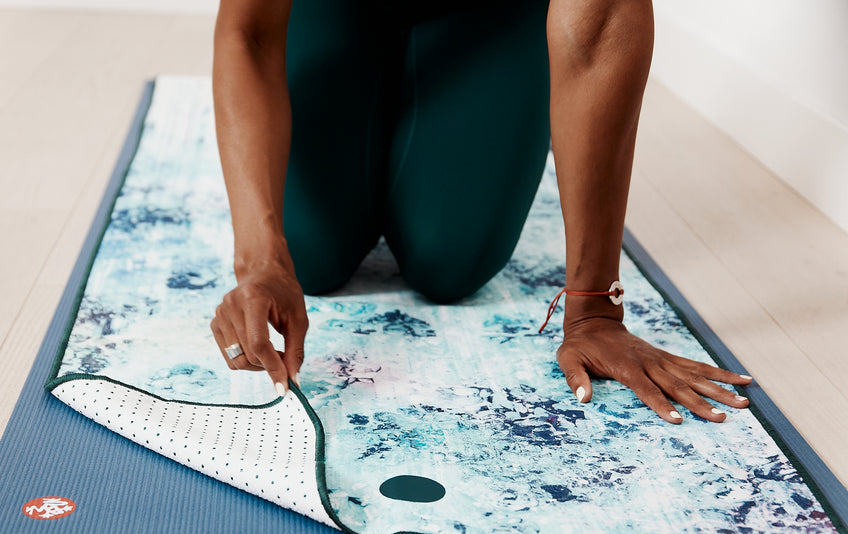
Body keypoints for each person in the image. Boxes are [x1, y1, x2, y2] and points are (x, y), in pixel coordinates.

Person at [208, 0, 752, 424]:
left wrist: (594, 308)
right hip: (331, 12)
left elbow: (601, 21)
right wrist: (259, 261)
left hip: (487, 19)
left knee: (450, 260)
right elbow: (249, 32)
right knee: (309, 256)